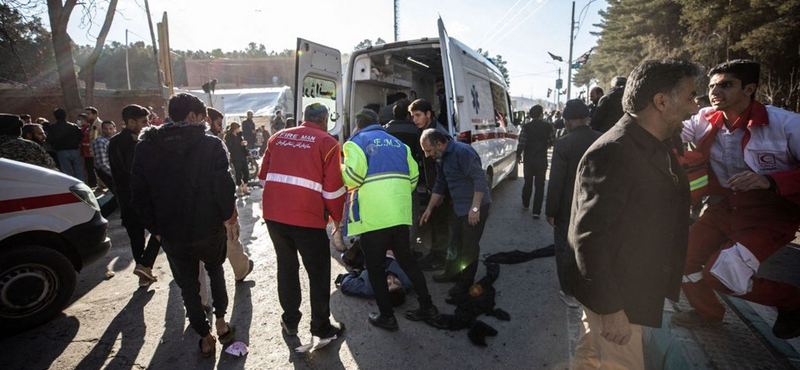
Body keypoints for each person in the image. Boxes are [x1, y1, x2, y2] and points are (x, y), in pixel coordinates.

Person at [569, 58, 701, 370]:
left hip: (628, 291)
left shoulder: (651, 144)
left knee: (590, 360)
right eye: (691, 97)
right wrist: (612, 309)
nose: (695, 107)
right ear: (661, 101)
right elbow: (589, 236)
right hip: (617, 298)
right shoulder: (615, 150)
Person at [674, 60, 800, 339]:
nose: (715, 91)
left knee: (723, 275)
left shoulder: (787, 124)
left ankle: (793, 301)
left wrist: (770, 181)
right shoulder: (703, 118)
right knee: (680, 259)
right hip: (723, 207)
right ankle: (707, 313)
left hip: (771, 216)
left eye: (726, 84)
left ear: (750, 88)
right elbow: (669, 130)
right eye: (712, 85)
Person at [130, 93, 237, 357]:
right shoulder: (211, 145)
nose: (205, 122)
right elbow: (224, 186)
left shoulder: (146, 146)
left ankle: (204, 335)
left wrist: (155, 227)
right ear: (192, 116)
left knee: (188, 286)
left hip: (171, 232)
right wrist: (227, 216)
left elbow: (138, 193)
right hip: (208, 228)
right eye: (203, 117)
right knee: (215, 272)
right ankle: (221, 322)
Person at [342, 109, 439, 331]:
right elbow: (413, 177)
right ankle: (428, 308)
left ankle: (387, 316)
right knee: (408, 262)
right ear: (378, 123)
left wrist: (340, 169)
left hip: (375, 217)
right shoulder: (398, 144)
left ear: (358, 126)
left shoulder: (355, 142)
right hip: (399, 215)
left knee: (374, 268)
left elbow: (353, 177)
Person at [257, 102, 345, 341]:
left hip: (274, 216)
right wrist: (337, 218)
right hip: (308, 218)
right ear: (325, 120)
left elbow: (263, 178)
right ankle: (320, 326)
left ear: (303, 117)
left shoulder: (277, 138)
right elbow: (333, 190)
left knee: (286, 267)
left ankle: (290, 320)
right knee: (318, 272)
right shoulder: (328, 143)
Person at [420, 128, 491, 298]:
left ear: (439, 144)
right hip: (459, 208)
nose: (428, 155)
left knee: (469, 247)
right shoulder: (441, 157)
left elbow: (480, 180)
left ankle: (465, 283)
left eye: (428, 151)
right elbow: (440, 183)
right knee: (454, 243)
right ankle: (451, 273)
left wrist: (475, 209)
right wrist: (429, 208)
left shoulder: (462, 152)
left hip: (475, 207)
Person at [544, 99, 601, 309]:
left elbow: (556, 181)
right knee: (591, 248)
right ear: (587, 119)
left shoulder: (564, 143)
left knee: (565, 249)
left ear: (567, 122)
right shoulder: (602, 139)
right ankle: (588, 287)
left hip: (568, 207)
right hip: (596, 204)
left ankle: (568, 291)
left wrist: (550, 210)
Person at [198, 107, 254, 309]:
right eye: (218, 123)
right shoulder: (213, 144)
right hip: (216, 208)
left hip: (194, 212)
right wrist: (230, 210)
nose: (220, 128)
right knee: (230, 239)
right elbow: (223, 181)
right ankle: (241, 270)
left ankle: (201, 301)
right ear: (206, 120)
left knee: (198, 260)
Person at [108, 105, 162, 288]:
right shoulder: (133, 142)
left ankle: (143, 273)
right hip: (140, 197)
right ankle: (145, 264)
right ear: (130, 122)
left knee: (136, 237)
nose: (146, 125)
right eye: (143, 122)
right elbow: (134, 170)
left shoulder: (114, 141)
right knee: (160, 229)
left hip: (125, 197)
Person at [409, 98, 453, 274]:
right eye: (413, 116)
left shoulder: (437, 134)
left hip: (441, 188)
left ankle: (439, 259)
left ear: (428, 114)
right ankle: (436, 255)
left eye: (418, 115)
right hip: (434, 186)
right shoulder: (427, 130)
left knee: (441, 224)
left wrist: (440, 191)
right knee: (435, 223)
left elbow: (443, 167)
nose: (415, 120)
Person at [336, 252, 412, 306]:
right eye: (397, 282)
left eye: (388, 284)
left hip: (368, 256)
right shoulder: (407, 282)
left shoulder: (370, 288)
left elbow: (346, 285)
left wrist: (354, 272)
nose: (391, 279)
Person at [516, 105, 553, 218]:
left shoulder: (526, 127)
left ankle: (526, 203)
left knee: (528, 182)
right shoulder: (548, 127)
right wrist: (546, 145)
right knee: (540, 185)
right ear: (541, 114)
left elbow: (521, 142)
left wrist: (518, 155)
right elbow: (553, 141)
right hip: (541, 159)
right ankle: (536, 211)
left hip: (529, 159)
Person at [46, 108, 84, 179]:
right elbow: (81, 135)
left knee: (67, 173)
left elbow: (49, 139)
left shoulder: (53, 128)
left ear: (55, 116)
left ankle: (71, 187)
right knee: (78, 170)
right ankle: (81, 185)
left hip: (61, 151)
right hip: (74, 150)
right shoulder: (73, 126)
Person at [92, 120, 118, 217]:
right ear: (102, 130)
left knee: (120, 196)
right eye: (105, 129)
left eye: (111, 128)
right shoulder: (100, 141)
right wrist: (116, 175)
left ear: (115, 129)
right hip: (106, 172)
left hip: (112, 170)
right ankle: (100, 215)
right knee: (119, 196)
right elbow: (102, 163)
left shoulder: (113, 139)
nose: (108, 131)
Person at [223, 122, 251, 196]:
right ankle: (239, 188)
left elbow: (243, 145)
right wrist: (239, 144)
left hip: (242, 155)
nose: (239, 129)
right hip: (235, 156)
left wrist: (246, 149)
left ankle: (245, 187)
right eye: (238, 128)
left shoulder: (239, 135)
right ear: (235, 129)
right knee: (238, 172)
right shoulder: (229, 137)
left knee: (246, 171)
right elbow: (230, 147)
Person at [78, 113, 98, 188]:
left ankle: (94, 184)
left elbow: (91, 138)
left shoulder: (89, 128)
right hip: (85, 152)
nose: (79, 121)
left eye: (81, 119)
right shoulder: (82, 128)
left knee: (91, 168)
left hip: (90, 152)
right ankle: (92, 184)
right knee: (88, 168)